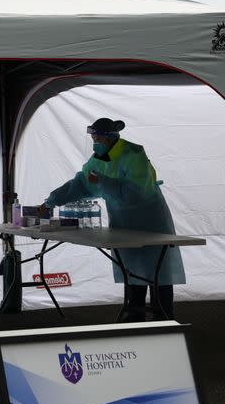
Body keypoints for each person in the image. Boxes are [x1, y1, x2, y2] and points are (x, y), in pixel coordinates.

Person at [40, 117, 184, 322]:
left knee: (157, 272)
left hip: (150, 220)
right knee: (132, 270)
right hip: (124, 222)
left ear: (111, 137)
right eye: (93, 137)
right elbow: (80, 184)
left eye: (98, 137)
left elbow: (135, 193)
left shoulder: (133, 154)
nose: (95, 141)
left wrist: (103, 181)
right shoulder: (99, 158)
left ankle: (165, 321)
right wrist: (51, 202)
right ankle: (133, 318)